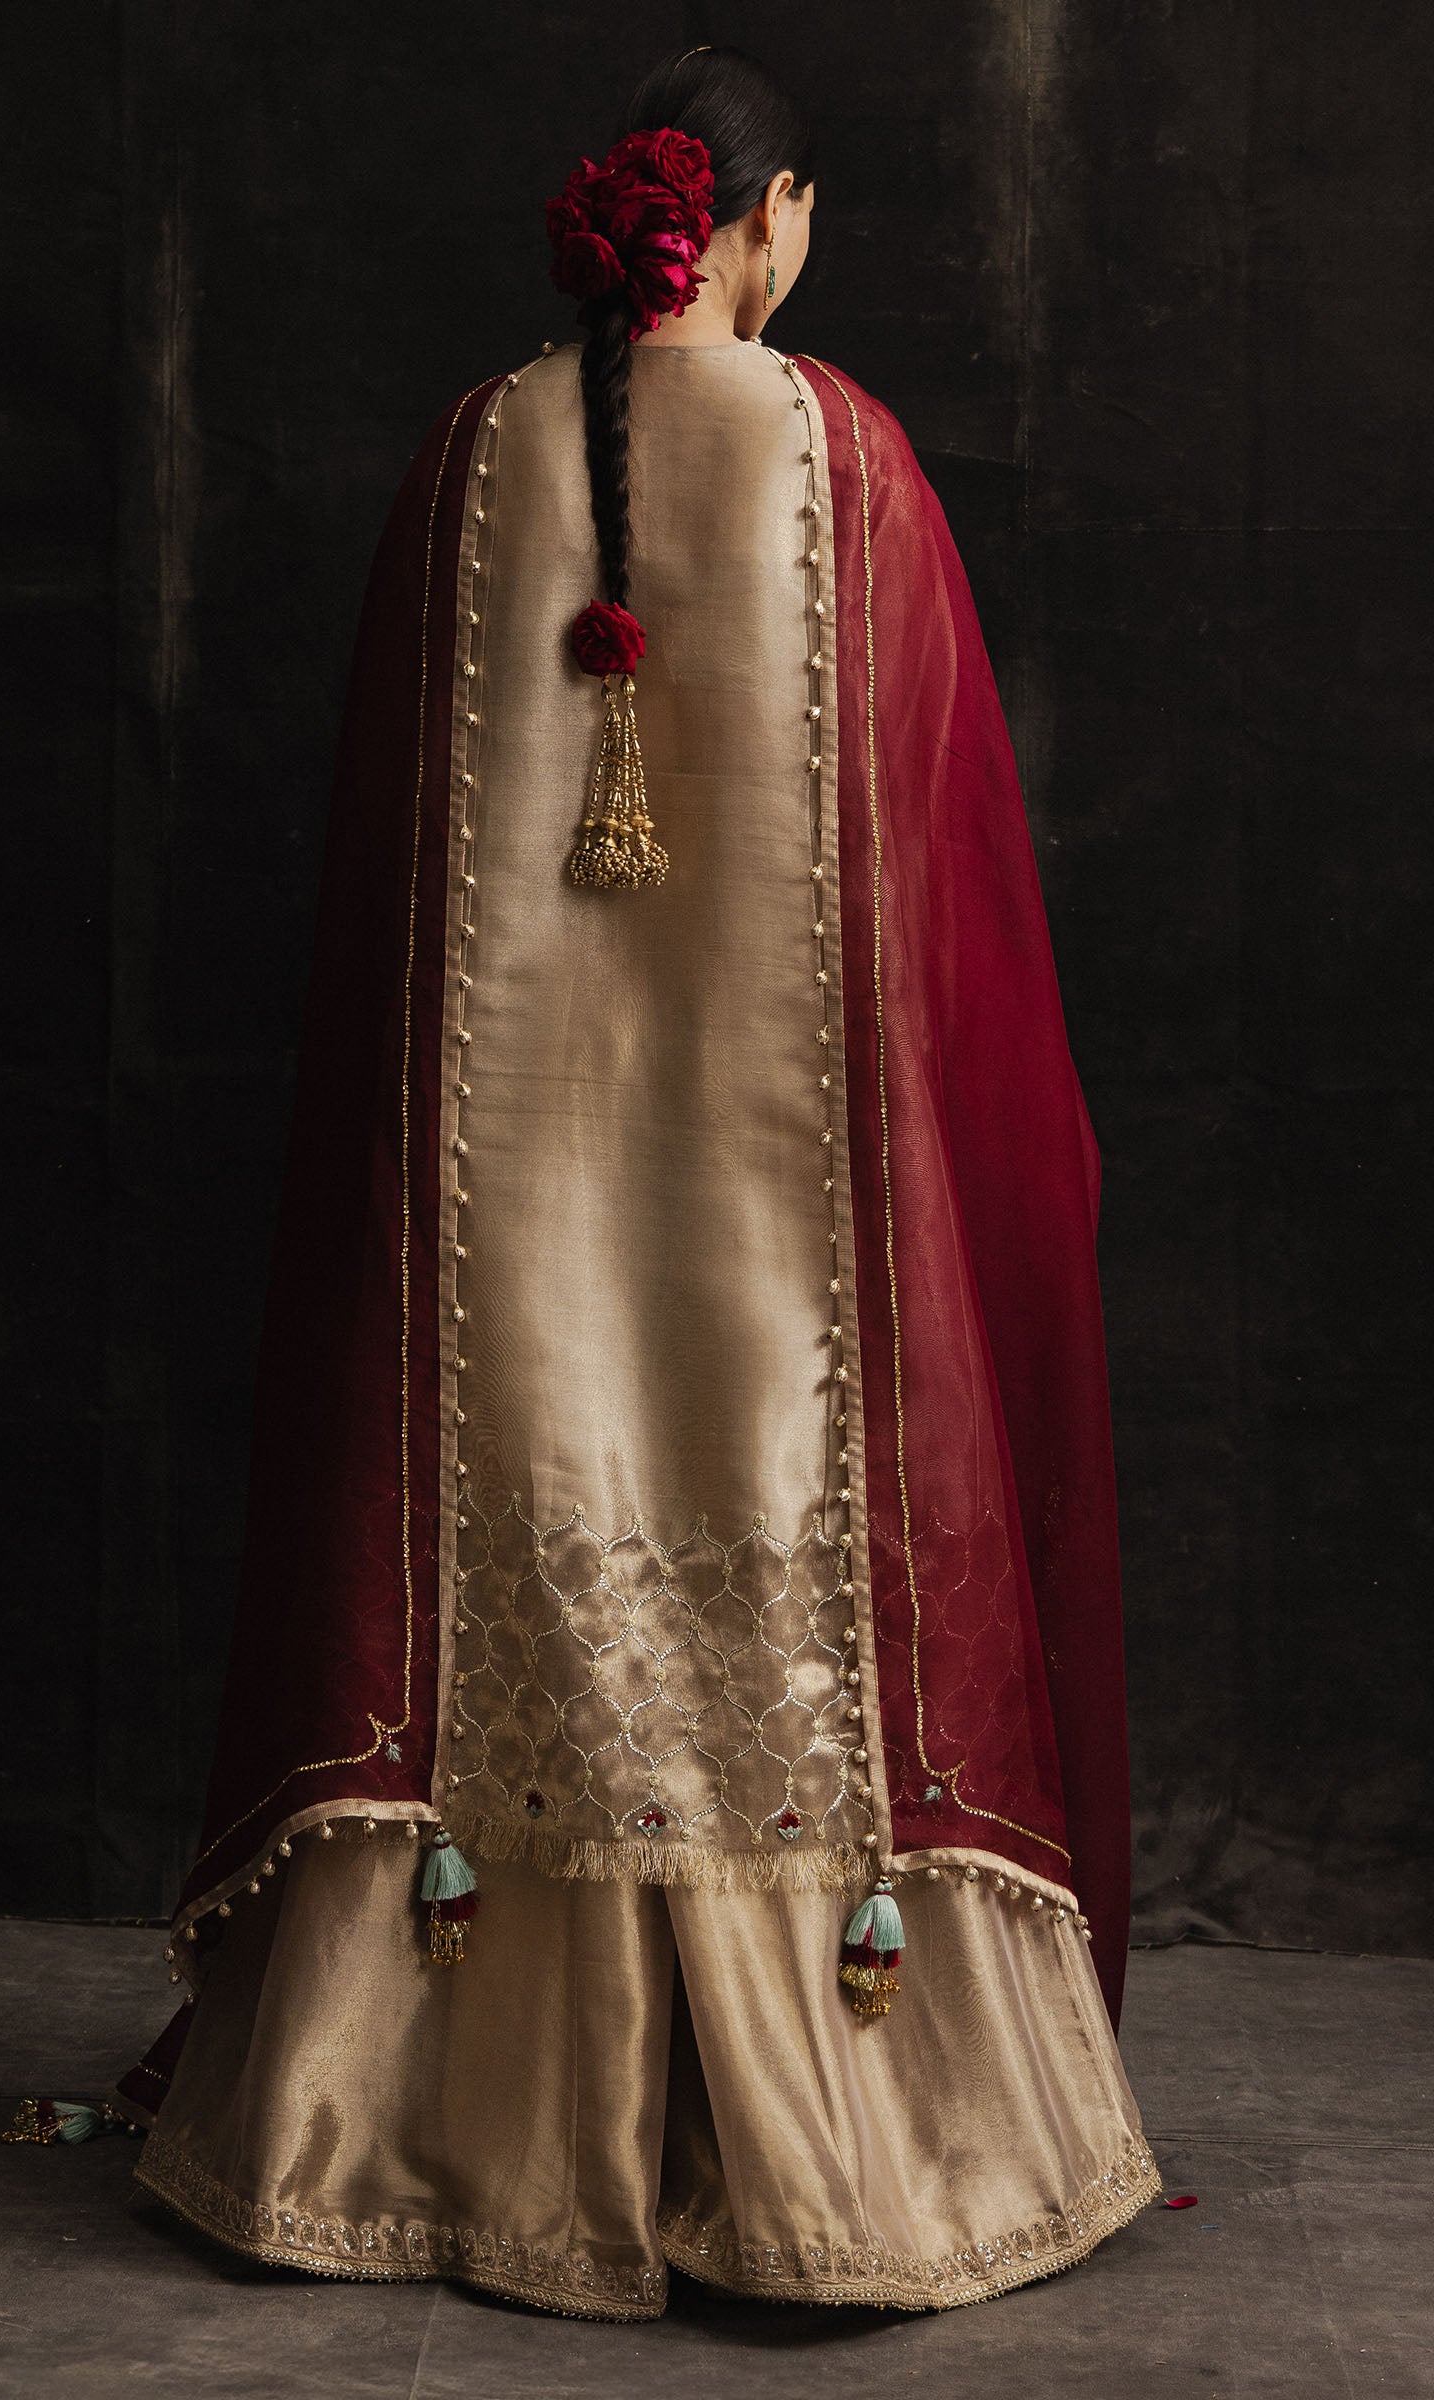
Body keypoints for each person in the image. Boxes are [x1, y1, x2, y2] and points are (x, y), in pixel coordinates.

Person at [116, 44, 1160, 2318]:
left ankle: (417, 2127)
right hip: (797, 1250)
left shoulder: (467, 460)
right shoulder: (844, 460)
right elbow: (950, 914)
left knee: (512, 1519)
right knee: (796, 1511)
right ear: (766, 216)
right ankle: (832, 2152)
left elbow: (386, 921)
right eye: (806, 222)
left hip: (506, 1235)